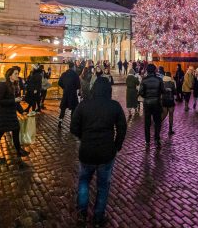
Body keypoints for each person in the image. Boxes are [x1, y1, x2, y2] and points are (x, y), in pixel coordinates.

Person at [70, 66, 126, 227]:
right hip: (106, 153)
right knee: (103, 186)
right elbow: (122, 127)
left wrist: (83, 137)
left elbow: (74, 127)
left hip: (87, 151)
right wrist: (117, 145)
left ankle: (81, 213)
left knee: (83, 182)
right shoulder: (114, 106)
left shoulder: (84, 105)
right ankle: (98, 217)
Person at [0, 67, 29, 165]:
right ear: (10, 75)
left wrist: (22, 111)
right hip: (3, 114)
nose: (17, 75)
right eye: (16, 73)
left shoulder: (15, 85)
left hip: (11, 114)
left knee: (16, 130)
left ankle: (18, 150)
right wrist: (14, 100)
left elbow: (16, 101)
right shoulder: (3, 85)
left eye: (18, 73)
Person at [139, 64, 165, 148]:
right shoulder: (159, 79)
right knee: (157, 122)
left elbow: (141, 92)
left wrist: (146, 96)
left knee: (147, 123)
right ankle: (157, 139)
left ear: (147, 70)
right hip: (157, 102)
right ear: (154, 70)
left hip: (147, 103)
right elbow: (163, 90)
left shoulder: (144, 80)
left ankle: (147, 141)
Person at [58, 62, 81, 129]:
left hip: (65, 94)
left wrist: (64, 87)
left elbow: (59, 82)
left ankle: (60, 121)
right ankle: (72, 123)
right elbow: (78, 85)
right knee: (74, 108)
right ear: (73, 67)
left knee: (63, 108)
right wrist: (74, 88)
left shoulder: (64, 74)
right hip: (73, 94)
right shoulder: (75, 75)